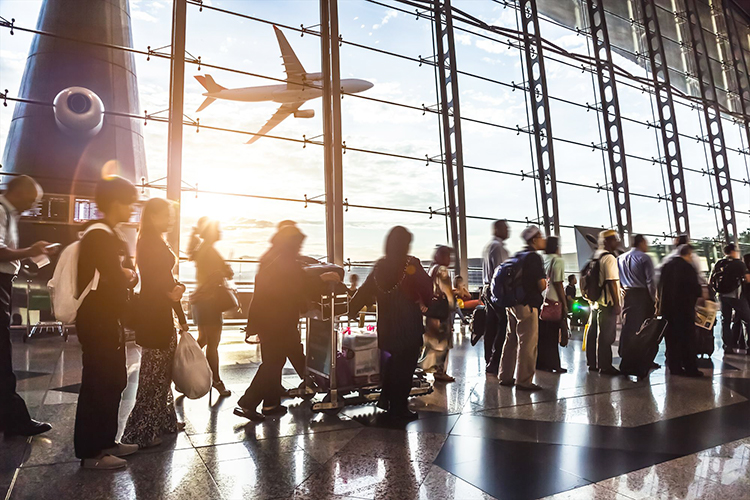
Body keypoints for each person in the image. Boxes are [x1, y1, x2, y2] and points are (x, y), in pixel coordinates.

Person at [235, 225, 340, 421]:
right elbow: (294, 283)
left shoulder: (273, 255)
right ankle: (247, 403)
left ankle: (270, 404)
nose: (299, 248)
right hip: (277, 319)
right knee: (273, 363)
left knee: (276, 360)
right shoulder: (282, 259)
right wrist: (322, 278)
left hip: (270, 319)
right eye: (298, 244)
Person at [74, 176, 139, 470]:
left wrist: (127, 275)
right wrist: (127, 276)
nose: (132, 208)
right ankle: (91, 452)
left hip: (105, 319)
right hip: (97, 319)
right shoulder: (98, 235)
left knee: (114, 380)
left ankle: (107, 442)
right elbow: (115, 277)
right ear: (116, 202)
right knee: (98, 384)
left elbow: (123, 274)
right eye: (129, 202)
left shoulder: (109, 234)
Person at [348, 227, 433, 420]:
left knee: (392, 365)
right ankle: (399, 408)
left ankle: (386, 400)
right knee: (405, 369)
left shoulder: (380, 267)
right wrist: (427, 303)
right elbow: (426, 287)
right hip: (408, 326)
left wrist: (351, 310)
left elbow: (363, 291)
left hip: (387, 327)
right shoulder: (411, 264)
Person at [122, 198, 187, 449]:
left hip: (158, 313)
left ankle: (163, 422)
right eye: (166, 215)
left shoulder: (153, 240)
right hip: (154, 315)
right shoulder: (150, 242)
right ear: (153, 216)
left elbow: (166, 281)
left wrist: (177, 297)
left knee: (161, 372)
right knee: (153, 374)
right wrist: (174, 292)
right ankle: (140, 431)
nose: (171, 219)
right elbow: (158, 281)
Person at [0, 175, 55, 437]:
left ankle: (11, 417)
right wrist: (29, 251)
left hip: (5, 282)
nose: (33, 205)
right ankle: (14, 419)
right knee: (1, 351)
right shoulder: (0, 211)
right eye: (31, 199)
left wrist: (26, 259)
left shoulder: (10, 215)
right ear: (19, 192)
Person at [188, 217, 233, 397]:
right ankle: (216, 381)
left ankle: (184, 372)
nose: (220, 231)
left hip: (201, 301)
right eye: (217, 228)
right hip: (210, 302)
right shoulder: (211, 252)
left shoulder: (201, 249)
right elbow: (221, 274)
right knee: (212, 343)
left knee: (204, 339)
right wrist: (225, 270)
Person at [499, 225, 547, 390]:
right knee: (528, 343)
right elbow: (540, 285)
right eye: (541, 236)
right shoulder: (533, 257)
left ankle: (505, 376)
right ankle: (524, 381)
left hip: (512, 304)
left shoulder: (518, 255)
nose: (544, 239)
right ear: (534, 239)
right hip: (527, 304)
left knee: (510, 340)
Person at [660, 245, 703, 376]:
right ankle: (690, 368)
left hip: (668, 309)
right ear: (689, 254)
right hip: (684, 309)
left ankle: (674, 367)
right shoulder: (688, 267)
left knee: (672, 339)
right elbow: (696, 289)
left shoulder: (666, 266)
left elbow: (660, 286)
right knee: (687, 339)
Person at [585, 229, 622, 375]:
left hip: (595, 302)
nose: (617, 242)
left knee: (593, 333)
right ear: (607, 241)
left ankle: (592, 363)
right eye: (615, 239)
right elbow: (612, 282)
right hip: (607, 302)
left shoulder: (595, 256)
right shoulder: (609, 258)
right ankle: (605, 366)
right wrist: (617, 303)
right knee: (606, 335)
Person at [617, 235, 656, 359]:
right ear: (641, 243)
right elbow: (650, 281)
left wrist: (621, 288)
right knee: (646, 327)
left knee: (628, 325)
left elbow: (617, 278)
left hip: (627, 294)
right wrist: (654, 299)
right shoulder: (645, 258)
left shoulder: (620, 258)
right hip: (642, 295)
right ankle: (643, 357)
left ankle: (625, 353)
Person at [422, 245, 456, 382]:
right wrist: (453, 304)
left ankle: (428, 369)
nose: (450, 259)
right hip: (440, 312)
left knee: (431, 343)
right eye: (448, 256)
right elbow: (447, 292)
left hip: (431, 311)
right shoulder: (442, 270)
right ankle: (440, 372)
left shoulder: (432, 268)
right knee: (443, 342)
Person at [710, 243, 750, 353]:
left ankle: (728, 347)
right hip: (736, 296)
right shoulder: (739, 264)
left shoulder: (719, 263)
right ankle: (748, 346)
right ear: (733, 251)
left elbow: (711, 280)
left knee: (725, 321)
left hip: (722, 296)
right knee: (747, 320)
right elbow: (748, 279)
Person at [482, 220, 510, 375]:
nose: (508, 231)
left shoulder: (488, 246)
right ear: (498, 229)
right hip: (497, 290)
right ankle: (495, 360)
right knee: (503, 325)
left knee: (490, 326)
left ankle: (489, 359)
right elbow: (502, 273)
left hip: (487, 288)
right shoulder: (498, 247)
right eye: (506, 228)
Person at [537, 236, 568, 373]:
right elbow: (558, 283)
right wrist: (564, 303)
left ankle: (541, 363)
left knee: (543, 335)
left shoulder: (543, 259)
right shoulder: (558, 260)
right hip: (554, 300)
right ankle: (554, 364)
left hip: (542, 300)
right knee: (553, 334)